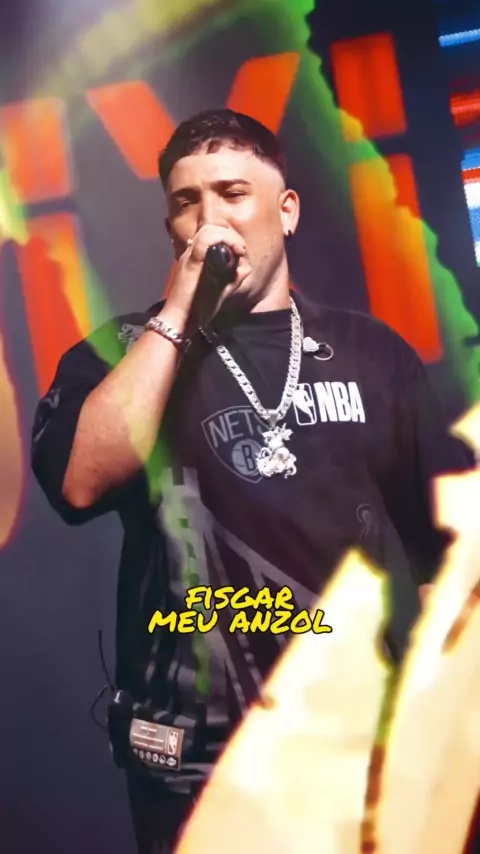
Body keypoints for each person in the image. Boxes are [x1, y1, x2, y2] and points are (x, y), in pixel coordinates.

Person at [31, 108, 474, 853]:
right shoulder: (123, 351)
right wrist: (179, 311)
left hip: (358, 752)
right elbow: (80, 482)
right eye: (187, 201)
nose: (210, 221)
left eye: (233, 193)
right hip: (200, 776)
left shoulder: (370, 352)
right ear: (170, 227)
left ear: (286, 210)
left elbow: (447, 557)